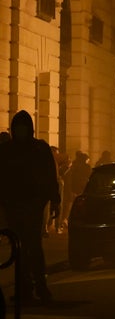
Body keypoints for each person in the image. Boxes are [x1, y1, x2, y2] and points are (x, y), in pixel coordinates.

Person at [0, 110, 61, 304]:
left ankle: (40, 287)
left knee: (33, 247)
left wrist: (54, 200)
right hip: (14, 205)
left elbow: (51, 176)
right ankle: (24, 287)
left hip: (34, 205)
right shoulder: (7, 150)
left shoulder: (39, 149)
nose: (20, 132)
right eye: (17, 128)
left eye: (23, 128)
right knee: (19, 249)